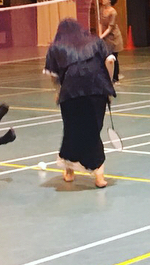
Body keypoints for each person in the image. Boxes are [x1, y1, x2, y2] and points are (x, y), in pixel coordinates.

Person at [44, 18, 116, 188]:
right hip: (97, 89)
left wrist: (58, 92)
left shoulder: (56, 47)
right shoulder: (96, 41)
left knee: (72, 130)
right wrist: (108, 84)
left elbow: (53, 76)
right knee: (93, 132)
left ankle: (69, 172)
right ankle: (99, 177)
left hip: (70, 92)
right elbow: (110, 60)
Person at [98, 0, 124, 83]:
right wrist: (99, 34)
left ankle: (115, 78)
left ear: (109, 0)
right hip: (104, 37)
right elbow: (100, 23)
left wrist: (101, 36)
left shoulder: (113, 12)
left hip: (113, 38)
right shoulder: (101, 9)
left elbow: (110, 27)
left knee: (113, 57)